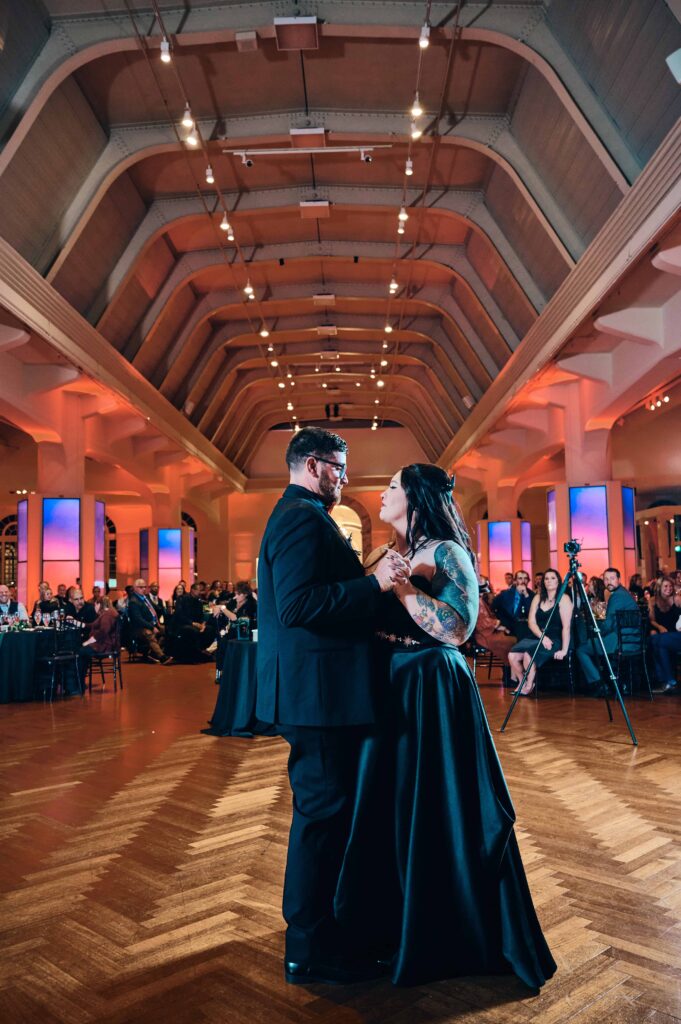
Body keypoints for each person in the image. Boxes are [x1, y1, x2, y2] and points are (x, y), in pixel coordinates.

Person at [336, 464, 556, 990]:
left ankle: (444, 929)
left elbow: (457, 630)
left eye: (391, 487)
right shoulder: (393, 553)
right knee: (390, 806)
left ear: (414, 496)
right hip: (393, 687)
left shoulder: (445, 552)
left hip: (432, 685)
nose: (383, 494)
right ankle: (387, 928)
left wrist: (402, 591)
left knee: (435, 804)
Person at [256, 426, 409, 986]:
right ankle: (309, 950)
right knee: (320, 822)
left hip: (320, 694)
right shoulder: (300, 517)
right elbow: (298, 606)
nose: (345, 479)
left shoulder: (302, 515)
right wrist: (374, 587)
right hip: (317, 697)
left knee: (327, 818)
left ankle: (321, 935)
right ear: (316, 465)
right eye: (341, 469)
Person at [507, 569, 572, 696]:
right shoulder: (537, 597)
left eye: (553, 578)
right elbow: (531, 622)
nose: (549, 581)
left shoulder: (564, 598)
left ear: (558, 581)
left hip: (555, 638)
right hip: (538, 635)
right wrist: (542, 637)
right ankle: (522, 682)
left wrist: (564, 650)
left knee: (528, 654)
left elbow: (567, 627)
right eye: (546, 578)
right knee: (512, 655)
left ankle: (530, 685)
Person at [575, 567, 638, 695]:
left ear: (619, 580)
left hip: (622, 641)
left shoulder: (617, 597)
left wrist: (594, 627)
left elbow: (607, 625)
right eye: (606, 579)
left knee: (581, 649)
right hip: (628, 638)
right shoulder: (622, 593)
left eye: (612, 578)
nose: (609, 581)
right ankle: (605, 681)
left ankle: (599, 684)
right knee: (591, 643)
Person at [648, 577, 681, 693]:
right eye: (665, 586)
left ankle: (666, 681)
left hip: (676, 634)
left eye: (670, 586)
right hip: (665, 635)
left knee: (656, 640)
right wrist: (659, 627)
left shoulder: (677, 599)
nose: (669, 588)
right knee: (657, 642)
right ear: (659, 588)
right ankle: (669, 681)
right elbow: (651, 620)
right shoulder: (652, 600)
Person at [127, 579, 171, 664]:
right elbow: (138, 619)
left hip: (151, 623)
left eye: (145, 587)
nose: (143, 589)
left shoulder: (144, 598)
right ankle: (162, 657)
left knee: (168, 630)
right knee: (149, 634)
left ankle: (152, 653)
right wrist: (152, 627)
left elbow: (155, 610)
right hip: (138, 627)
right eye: (141, 587)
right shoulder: (134, 601)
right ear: (135, 588)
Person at [473, 580, 516, 662]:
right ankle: (510, 669)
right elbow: (483, 622)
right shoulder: (478, 602)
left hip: (489, 632)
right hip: (483, 635)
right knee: (512, 642)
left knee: (514, 639)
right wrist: (499, 625)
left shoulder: (482, 601)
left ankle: (510, 669)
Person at [492, 569, 534, 639]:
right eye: (520, 578)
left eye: (525, 578)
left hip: (524, 627)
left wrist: (526, 595)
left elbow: (531, 612)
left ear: (528, 581)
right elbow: (492, 608)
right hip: (507, 627)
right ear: (515, 581)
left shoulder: (532, 595)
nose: (523, 581)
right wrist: (498, 624)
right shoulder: (505, 594)